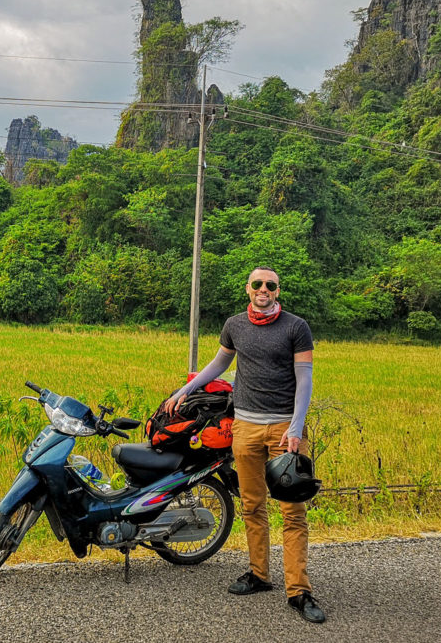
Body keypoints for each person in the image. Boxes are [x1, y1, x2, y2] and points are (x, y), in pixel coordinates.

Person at [164, 266, 325, 624]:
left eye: (270, 285)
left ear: (278, 290)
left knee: (292, 512)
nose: (263, 289)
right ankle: (259, 574)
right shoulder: (235, 325)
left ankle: (299, 591)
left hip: (285, 428)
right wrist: (186, 389)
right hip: (246, 427)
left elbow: (305, 379)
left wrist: (296, 427)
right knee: (252, 505)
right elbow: (219, 363)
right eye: (257, 284)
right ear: (248, 289)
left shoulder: (296, 328)